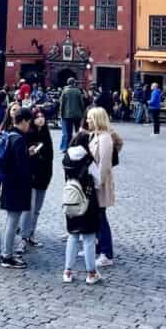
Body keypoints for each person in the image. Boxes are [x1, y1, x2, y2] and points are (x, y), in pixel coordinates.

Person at [62, 130, 103, 284]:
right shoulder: (88, 160)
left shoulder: (66, 157)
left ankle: (68, 271)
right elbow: (98, 181)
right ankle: (91, 273)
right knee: (89, 237)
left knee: (72, 235)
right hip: (87, 199)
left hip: (70, 198)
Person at [0, 108, 33, 269]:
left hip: (9, 184)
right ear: (24, 121)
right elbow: (22, 166)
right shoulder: (18, 139)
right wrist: (28, 156)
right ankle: (7, 256)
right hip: (17, 186)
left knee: (10, 220)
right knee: (13, 221)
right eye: (29, 122)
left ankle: (6, 252)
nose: (29, 126)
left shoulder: (9, 135)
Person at [18, 105, 53, 251]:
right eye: (37, 117)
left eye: (42, 117)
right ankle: (23, 237)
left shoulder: (46, 133)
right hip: (31, 175)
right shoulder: (28, 134)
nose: (41, 119)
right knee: (28, 209)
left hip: (43, 175)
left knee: (37, 209)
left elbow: (50, 156)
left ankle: (31, 234)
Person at [87, 107, 117, 267]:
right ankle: (97, 248)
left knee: (100, 217)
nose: (87, 121)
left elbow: (104, 164)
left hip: (100, 184)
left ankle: (106, 252)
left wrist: (98, 182)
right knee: (95, 216)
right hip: (94, 182)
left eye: (90, 118)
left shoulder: (105, 138)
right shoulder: (95, 135)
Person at [59, 77, 86, 152]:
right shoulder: (78, 91)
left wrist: (61, 114)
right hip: (77, 115)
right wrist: (83, 113)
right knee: (77, 132)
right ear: (74, 83)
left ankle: (66, 148)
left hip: (67, 115)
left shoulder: (65, 91)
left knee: (67, 133)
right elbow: (82, 103)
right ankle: (77, 145)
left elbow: (62, 104)